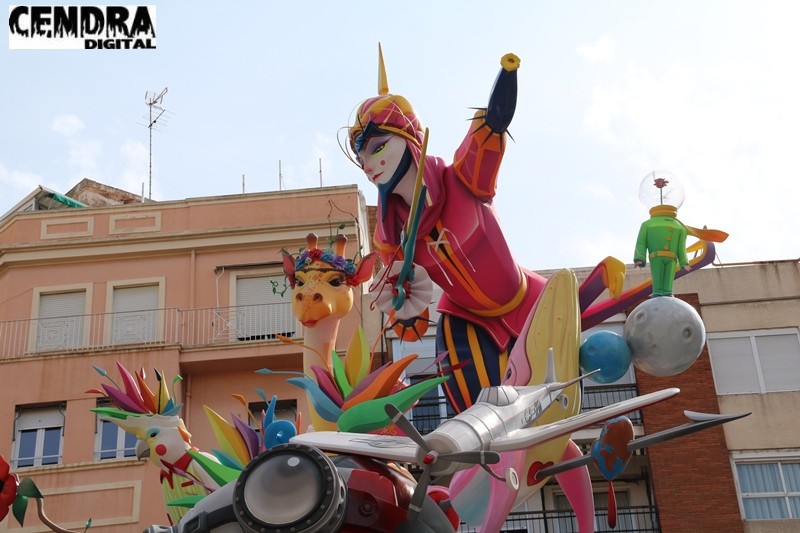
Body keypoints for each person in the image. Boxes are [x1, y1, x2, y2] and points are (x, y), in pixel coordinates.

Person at [347, 49, 550, 412]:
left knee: (544, 406)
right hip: (464, 319)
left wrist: (504, 85)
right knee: (478, 414)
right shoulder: (391, 236)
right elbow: (409, 317)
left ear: (410, 139)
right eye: (361, 157)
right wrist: (404, 310)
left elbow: (491, 128)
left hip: (528, 301)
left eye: (378, 147)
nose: (368, 164)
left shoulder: (465, 179)